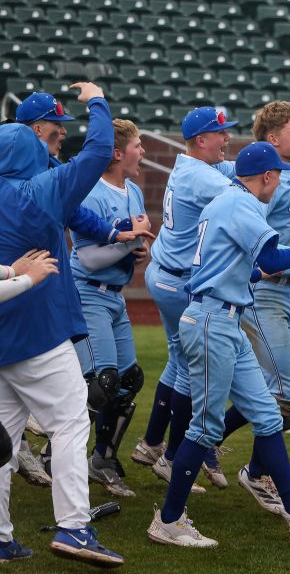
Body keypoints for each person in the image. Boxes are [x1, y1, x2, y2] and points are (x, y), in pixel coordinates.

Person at [147, 142, 290, 547]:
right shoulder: (241, 205)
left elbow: (245, 269)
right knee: (205, 428)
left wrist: (286, 259)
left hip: (225, 317)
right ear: (268, 177)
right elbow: (273, 260)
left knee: (268, 416)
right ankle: (168, 521)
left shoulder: (227, 201)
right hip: (211, 321)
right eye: (277, 178)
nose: (278, 185)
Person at [0, 82, 124, 566]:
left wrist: (112, 230)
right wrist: (97, 99)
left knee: (3, 443)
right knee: (71, 423)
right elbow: (96, 152)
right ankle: (74, 528)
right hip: (37, 328)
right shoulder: (38, 190)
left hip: (4, 332)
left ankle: (2, 537)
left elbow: (75, 206)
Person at [134, 106, 238, 494]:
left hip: (165, 272)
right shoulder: (199, 174)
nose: (227, 138)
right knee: (195, 368)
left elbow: (235, 172)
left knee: (180, 360)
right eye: (221, 133)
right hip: (177, 281)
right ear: (200, 140)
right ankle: (175, 455)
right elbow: (247, 195)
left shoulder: (192, 165)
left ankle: (153, 443)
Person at [69, 119, 152, 498]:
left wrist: (137, 247)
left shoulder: (133, 190)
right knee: (99, 386)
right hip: (88, 292)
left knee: (128, 380)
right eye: (137, 145)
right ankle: (58, 451)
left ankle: (102, 459)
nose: (143, 151)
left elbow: (127, 247)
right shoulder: (91, 193)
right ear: (117, 152)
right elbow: (88, 259)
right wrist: (127, 243)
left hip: (114, 294)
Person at [238, 101, 290, 438]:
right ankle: (209, 446)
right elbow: (252, 239)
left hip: (287, 289)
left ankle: (208, 445)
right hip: (264, 289)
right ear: (272, 139)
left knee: (278, 389)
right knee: (283, 390)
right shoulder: (266, 182)